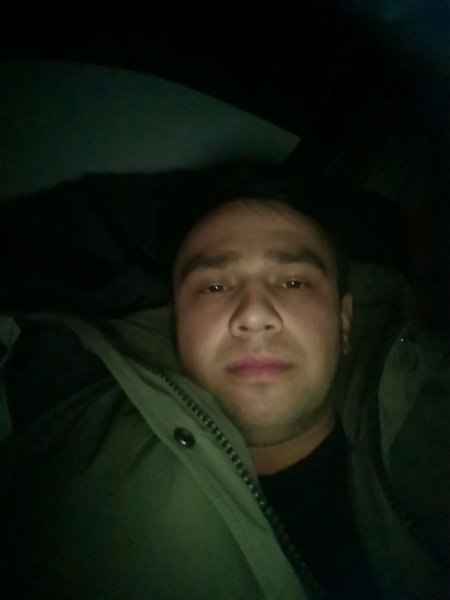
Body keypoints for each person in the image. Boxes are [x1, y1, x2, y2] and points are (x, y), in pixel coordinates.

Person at [1, 174, 448, 599]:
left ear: (344, 322)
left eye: (294, 282)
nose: (254, 315)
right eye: (215, 286)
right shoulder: (66, 464)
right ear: (177, 327)